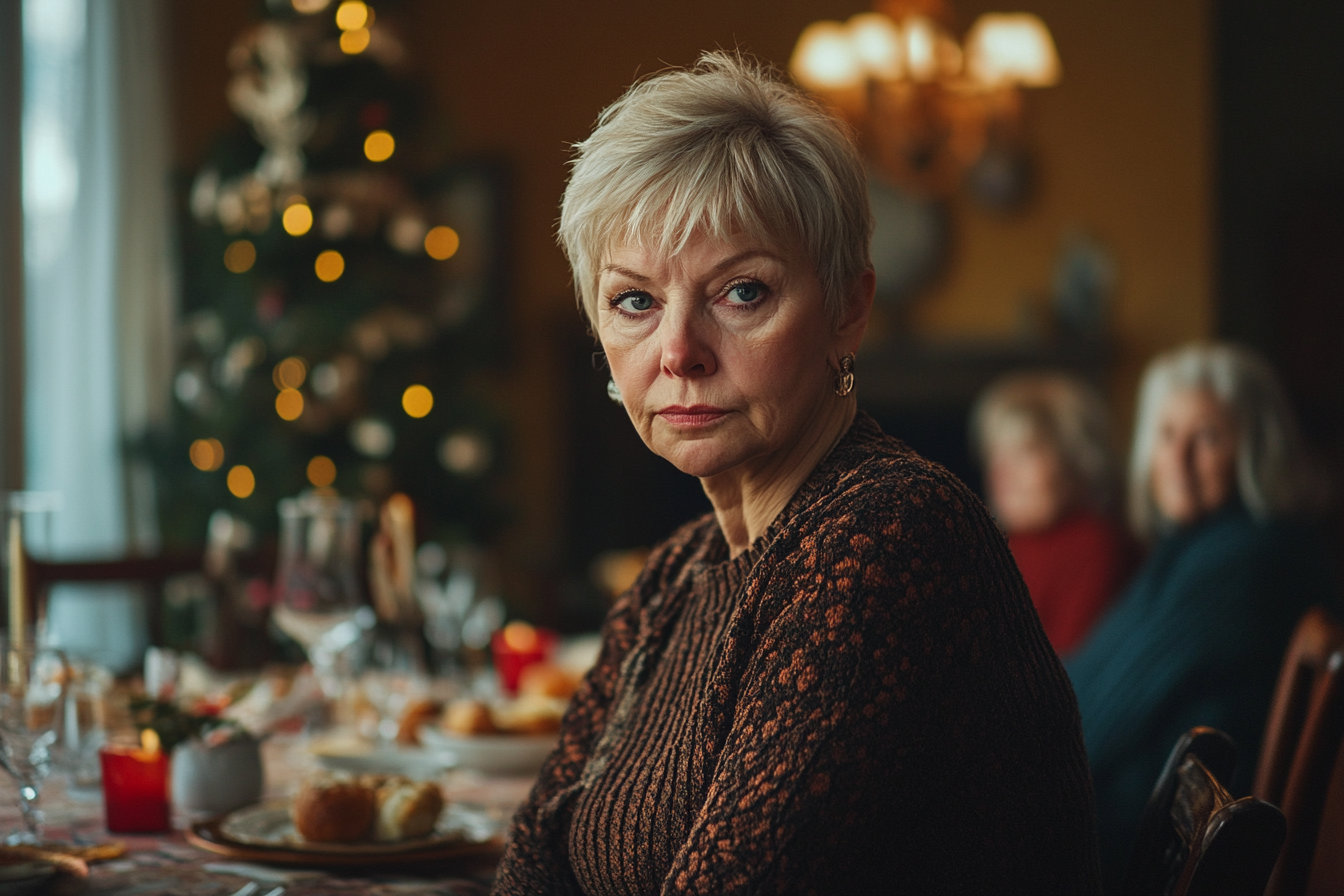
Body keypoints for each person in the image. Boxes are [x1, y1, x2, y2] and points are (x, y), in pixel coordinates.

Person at [491, 53, 1098, 895]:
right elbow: (539, 844)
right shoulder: (677, 574)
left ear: (848, 308)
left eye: (742, 293)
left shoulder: (890, 539)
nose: (677, 354)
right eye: (635, 301)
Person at [1066, 341, 1337, 889]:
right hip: (1156, 822)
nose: (1179, 459)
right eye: (1166, 435)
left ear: (1257, 450)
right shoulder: (1198, 544)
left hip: (1164, 852)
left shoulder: (1246, 559)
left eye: (1207, 437)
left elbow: (1094, 719)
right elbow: (1096, 672)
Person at [971, 372, 1137, 656]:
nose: (1001, 472)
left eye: (1024, 452)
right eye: (994, 454)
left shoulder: (1095, 546)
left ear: (1080, 461)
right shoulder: (1001, 545)